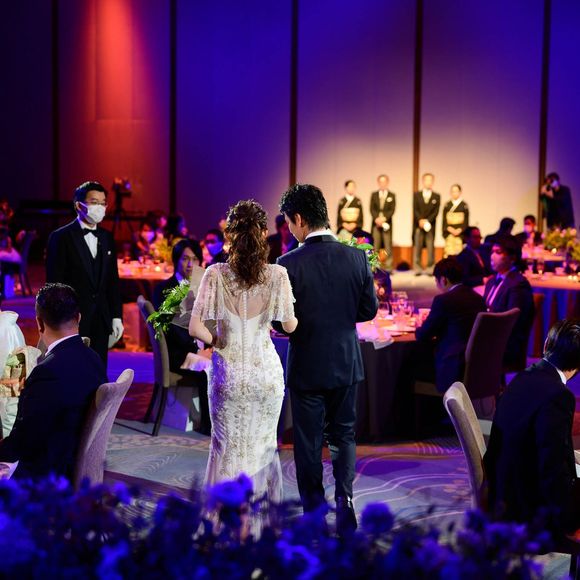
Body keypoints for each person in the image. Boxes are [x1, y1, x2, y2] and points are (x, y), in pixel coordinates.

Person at [277, 184, 378, 534]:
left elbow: (280, 321)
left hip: (307, 365)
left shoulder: (286, 264)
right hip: (346, 363)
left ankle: (315, 513)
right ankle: (345, 501)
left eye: (289, 222)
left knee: (308, 443)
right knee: (343, 436)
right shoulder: (357, 257)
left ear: (299, 218)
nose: (290, 229)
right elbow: (368, 310)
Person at [189, 200, 298, 504]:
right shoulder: (277, 274)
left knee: (226, 447)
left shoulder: (215, 273)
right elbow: (289, 326)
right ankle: (261, 514)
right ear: (263, 234)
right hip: (265, 375)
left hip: (229, 373)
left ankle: (225, 511)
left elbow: (195, 328)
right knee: (263, 446)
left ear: (230, 235)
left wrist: (218, 339)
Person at [0, 283, 107, 480]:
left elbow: (23, 442)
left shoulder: (45, 373)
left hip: (45, 477)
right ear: (78, 318)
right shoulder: (94, 360)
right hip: (72, 464)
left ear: (39, 323)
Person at [484, 319, 580, 536]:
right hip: (527, 511)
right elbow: (551, 467)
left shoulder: (523, 376)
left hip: (502, 493)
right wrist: (567, 519)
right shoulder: (558, 396)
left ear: (546, 344)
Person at [46, 181, 123, 366]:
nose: (100, 208)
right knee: (73, 369)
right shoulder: (61, 237)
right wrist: (60, 320)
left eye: (103, 203)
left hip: (101, 318)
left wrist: (116, 316)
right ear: (78, 205)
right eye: (94, 202)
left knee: (98, 369)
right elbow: (54, 284)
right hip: (72, 319)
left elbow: (112, 280)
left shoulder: (107, 237)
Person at [153, 239, 211, 435]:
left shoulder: (200, 287)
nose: (190, 264)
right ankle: (209, 425)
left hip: (197, 349)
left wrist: (211, 345)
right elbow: (170, 329)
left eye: (194, 259)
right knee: (208, 370)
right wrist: (197, 350)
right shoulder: (164, 289)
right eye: (185, 259)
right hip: (176, 353)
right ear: (176, 260)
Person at [415, 258, 486, 393]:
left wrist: (419, 326)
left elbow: (423, 335)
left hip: (452, 368)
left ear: (443, 280)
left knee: (408, 362)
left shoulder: (443, 300)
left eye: (436, 281)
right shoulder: (478, 298)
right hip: (477, 366)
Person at [483, 235, 534, 369]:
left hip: (505, 343)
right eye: (492, 252)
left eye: (498, 252)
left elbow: (513, 322)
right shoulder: (492, 281)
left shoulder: (518, 285)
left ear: (512, 258)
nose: (492, 256)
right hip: (490, 335)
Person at [413, 173, 441, 275]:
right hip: (419, 225)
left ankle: (430, 268)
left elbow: (436, 211)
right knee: (418, 247)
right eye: (426, 180)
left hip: (430, 225)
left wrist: (428, 221)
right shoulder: (417, 195)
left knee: (430, 247)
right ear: (423, 181)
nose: (428, 182)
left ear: (432, 182)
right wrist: (420, 220)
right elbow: (415, 209)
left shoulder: (436, 196)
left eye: (430, 180)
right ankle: (417, 268)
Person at [369, 174, 396, 271]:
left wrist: (384, 218)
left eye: (384, 182)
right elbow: (372, 209)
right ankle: (374, 266)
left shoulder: (392, 195)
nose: (382, 183)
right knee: (375, 246)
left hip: (386, 224)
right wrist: (377, 218)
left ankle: (388, 267)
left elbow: (392, 210)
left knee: (388, 246)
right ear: (378, 183)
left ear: (387, 183)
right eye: (381, 182)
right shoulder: (374, 195)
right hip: (376, 223)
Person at [442, 184, 469, 257]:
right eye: (453, 191)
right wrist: (449, 229)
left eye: (456, 191)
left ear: (460, 192)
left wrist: (460, 230)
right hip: (449, 232)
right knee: (448, 253)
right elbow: (444, 221)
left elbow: (466, 221)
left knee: (459, 254)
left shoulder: (464, 205)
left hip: (460, 233)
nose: (454, 193)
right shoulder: (447, 205)